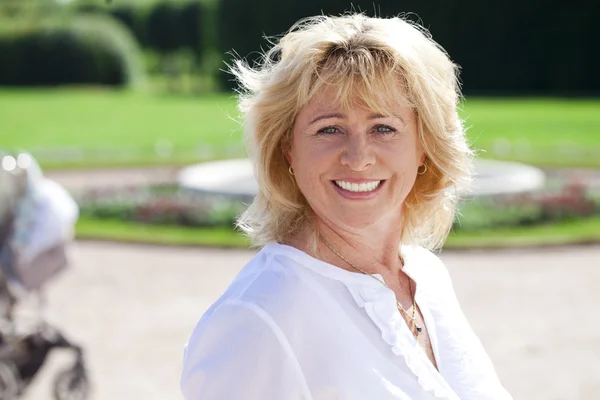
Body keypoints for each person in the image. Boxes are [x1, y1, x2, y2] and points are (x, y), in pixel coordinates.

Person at [180, 13, 513, 400]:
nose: (358, 158)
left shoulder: (428, 278)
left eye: (383, 128)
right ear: (288, 148)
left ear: (425, 147)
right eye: (329, 129)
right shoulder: (258, 316)